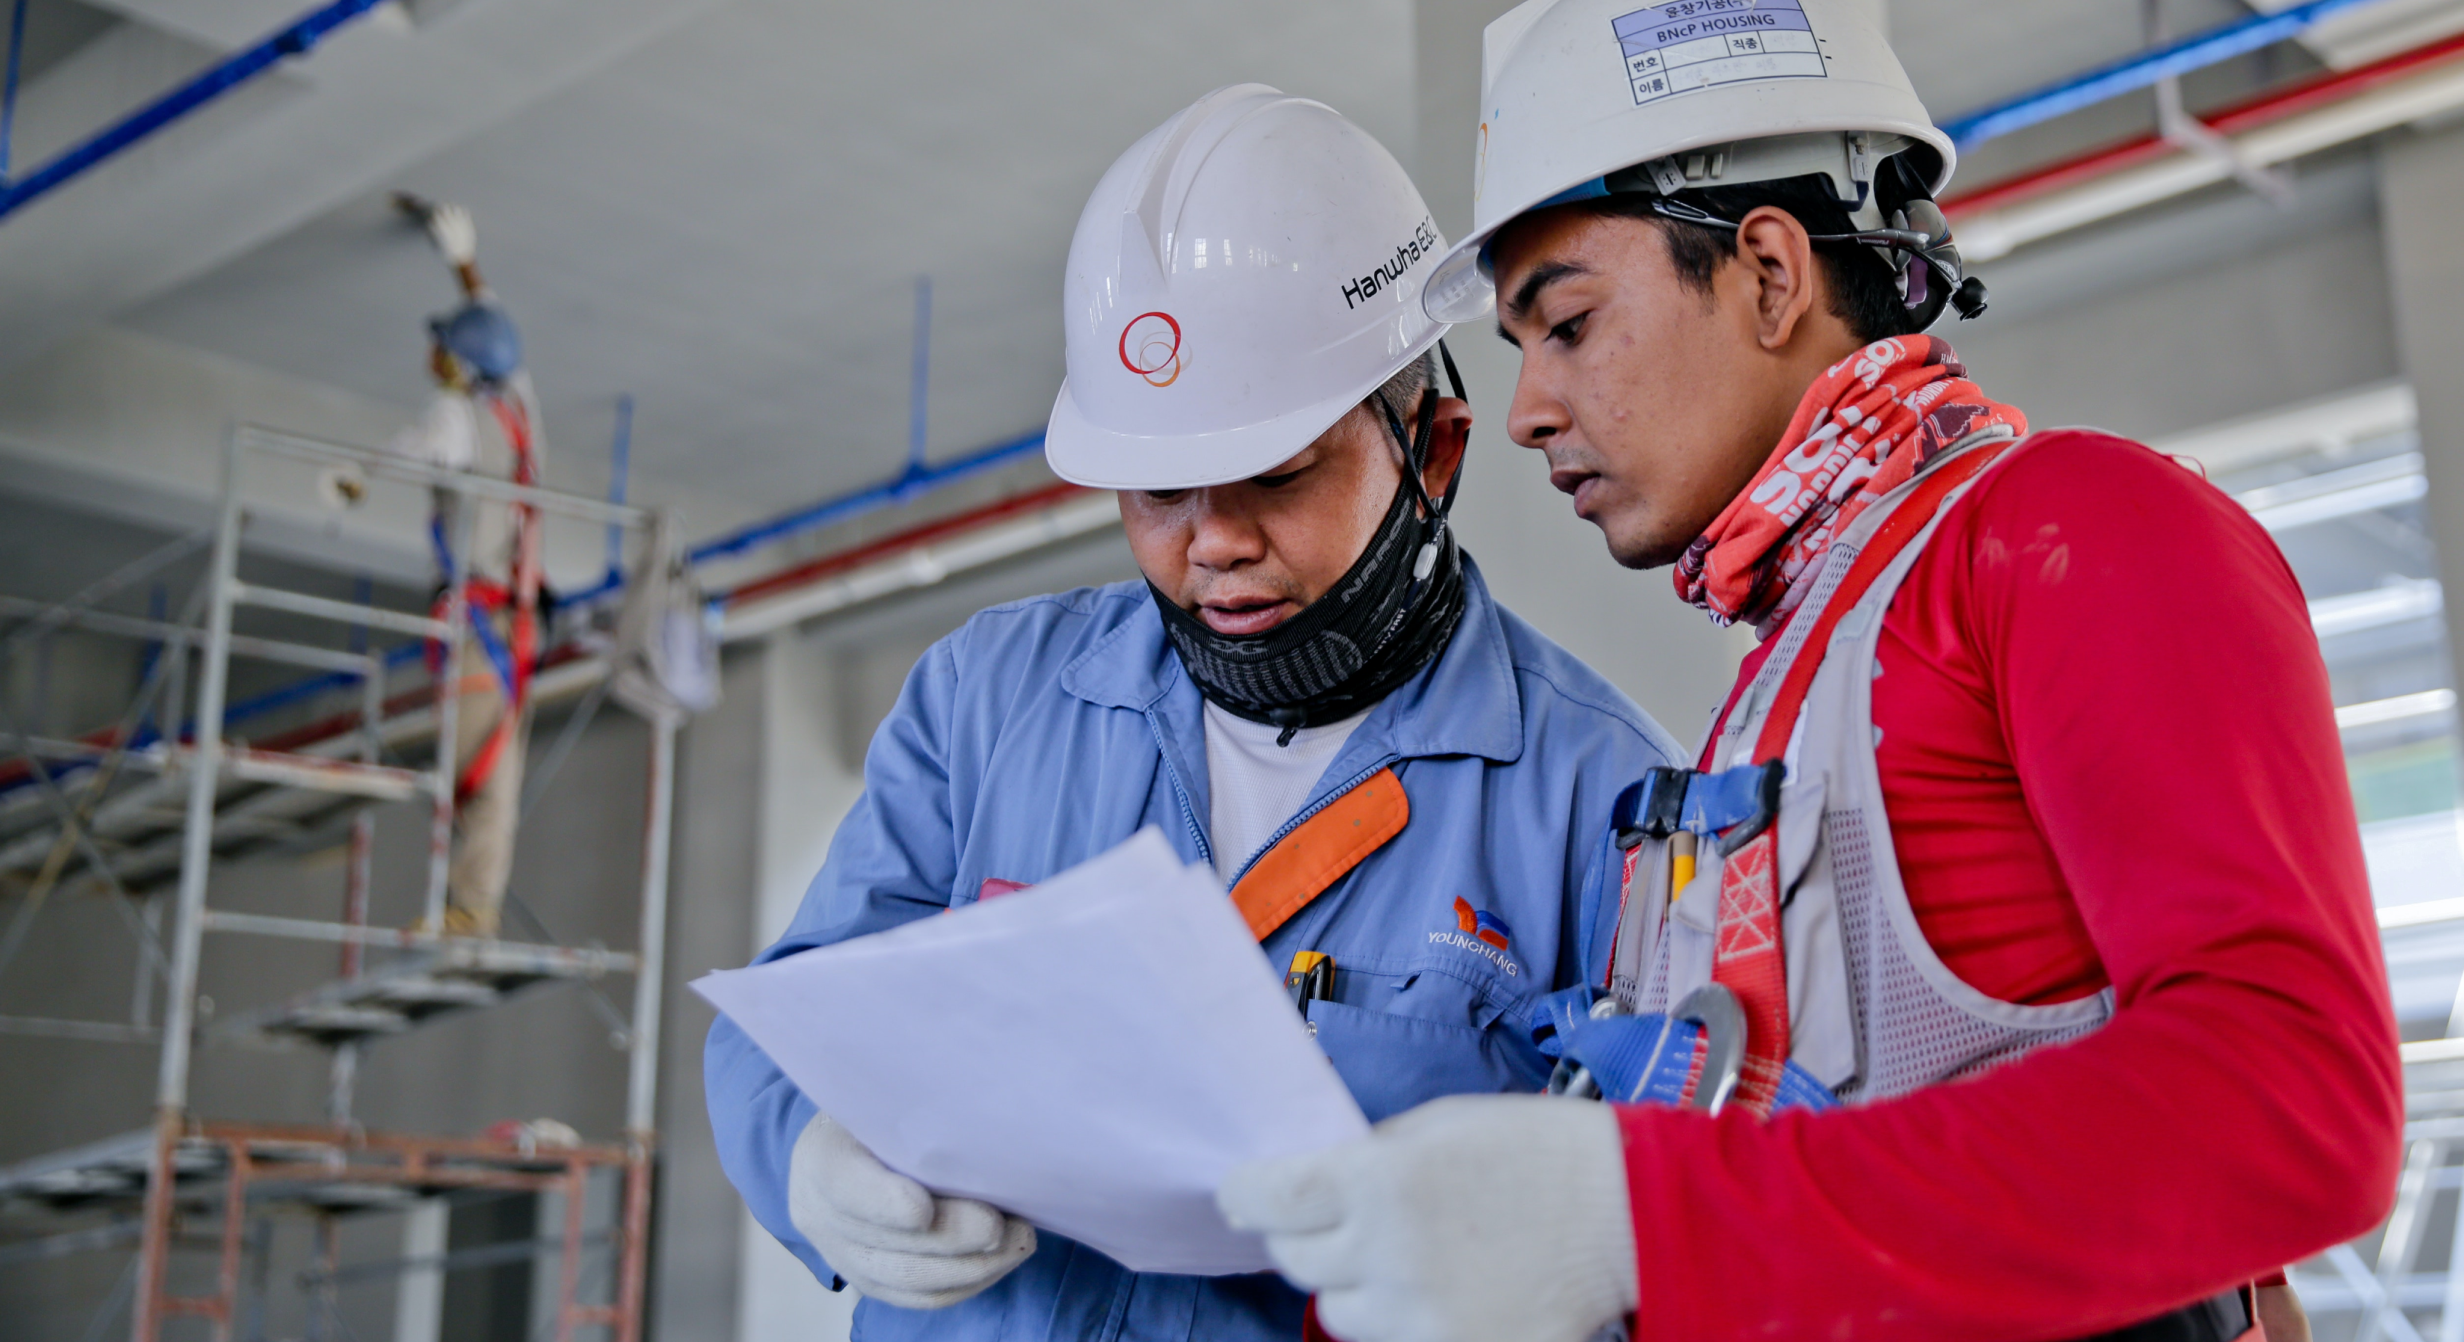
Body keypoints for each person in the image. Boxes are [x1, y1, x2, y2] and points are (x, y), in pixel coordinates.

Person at [1216, 4, 2401, 1340]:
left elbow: (2294, 1100)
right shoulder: (1781, 688)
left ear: (1771, 275)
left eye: (1568, 324)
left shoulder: (2073, 533)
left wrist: (1644, 1217)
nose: (1530, 410)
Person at [704, 84, 1682, 1342]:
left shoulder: (1599, 801)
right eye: (1158, 488)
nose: (1213, 541)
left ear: (1431, 452)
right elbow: (795, 1014)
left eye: (1278, 474)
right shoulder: (984, 704)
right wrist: (808, 1159)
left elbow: (1661, 1225)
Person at [387, 195, 547, 939]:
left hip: (480, 624)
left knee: (472, 774)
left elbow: (408, 449)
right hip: (508, 620)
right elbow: (499, 340)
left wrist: (351, 479)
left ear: (456, 363)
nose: (434, 354)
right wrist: (464, 265)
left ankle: (466, 912)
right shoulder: (516, 411)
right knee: (487, 768)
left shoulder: (456, 420)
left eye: (443, 347)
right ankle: (469, 908)